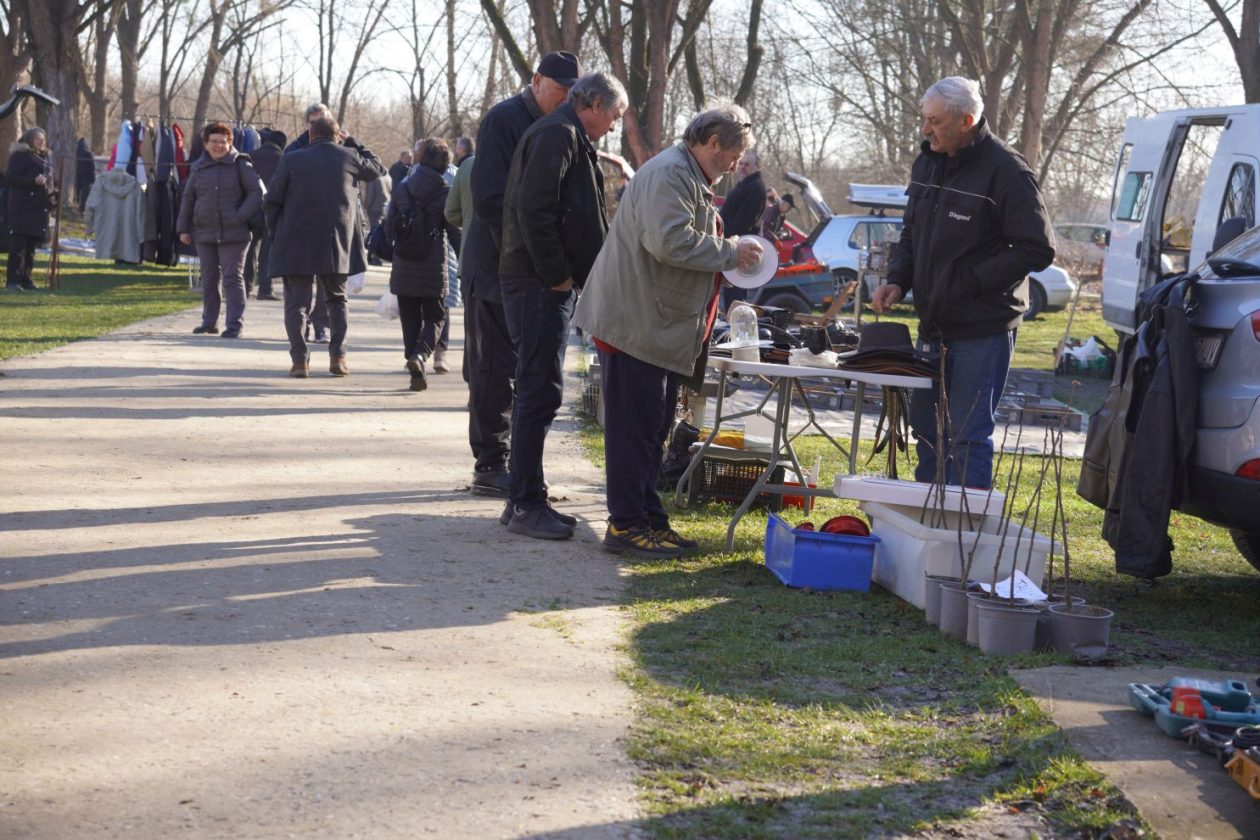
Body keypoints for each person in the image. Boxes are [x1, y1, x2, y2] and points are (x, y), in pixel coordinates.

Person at [572, 104, 764, 558]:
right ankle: (626, 525)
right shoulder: (670, 175)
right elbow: (671, 241)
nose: (736, 165)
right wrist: (731, 251)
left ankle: (649, 518)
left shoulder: (687, 175)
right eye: (734, 153)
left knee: (652, 426)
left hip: (650, 323)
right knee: (634, 429)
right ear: (713, 142)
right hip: (635, 323)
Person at [873, 76, 1055, 489]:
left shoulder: (1007, 171)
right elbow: (911, 234)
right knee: (926, 432)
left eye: (935, 121)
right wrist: (897, 280)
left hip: (982, 330)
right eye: (925, 119)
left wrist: (970, 282)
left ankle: (961, 543)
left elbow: (1037, 248)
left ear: (966, 119)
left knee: (965, 439)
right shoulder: (927, 162)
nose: (925, 130)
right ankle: (927, 531)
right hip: (933, 326)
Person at [497, 72, 628, 540]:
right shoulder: (558, 133)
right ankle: (525, 502)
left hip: (538, 283)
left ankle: (525, 494)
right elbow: (536, 209)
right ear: (592, 103)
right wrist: (556, 275)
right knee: (539, 389)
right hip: (536, 284)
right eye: (613, 115)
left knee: (539, 388)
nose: (613, 126)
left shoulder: (565, 133)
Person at [462, 50, 580, 498]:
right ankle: (490, 462)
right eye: (560, 90)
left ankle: (512, 460)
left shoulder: (559, 124)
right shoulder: (503, 120)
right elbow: (492, 200)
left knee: (522, 368)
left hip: (525, 269)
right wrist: (528, 252)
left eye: (573, 92)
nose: (565, 98)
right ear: (536, 81)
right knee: (491, 369)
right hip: (494, 265)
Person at [265, 115, 385, 377]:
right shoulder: (349, 157)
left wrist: (276, 231)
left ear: (310, 135)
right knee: (337, 299)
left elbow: (272, 200)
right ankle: (338, 357)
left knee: (296, 303)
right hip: (336, 241)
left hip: (296, 240)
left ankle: (299, 360)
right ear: (337, 135)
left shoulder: (291, 159)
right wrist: (352, 141)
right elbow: (377, 168)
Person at [176, 122, 263, 337]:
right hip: (204, 231)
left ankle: (234, 325)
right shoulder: (198, 167)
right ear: (205, 144)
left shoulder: (241, 164)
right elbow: (188, 199)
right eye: (213, 141)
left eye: (222, 141)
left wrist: (239, 216)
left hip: (235, 233)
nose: (218, 145)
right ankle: (209, 322)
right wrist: (183, 227)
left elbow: (256, 194)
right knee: (209, 278)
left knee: (233, 278)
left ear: (230, 142)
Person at [387, 138, 460, 391]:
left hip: (404, 265)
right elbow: (454, 233)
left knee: (409, 320)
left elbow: (388, 228)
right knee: (436, 317)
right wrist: (464, 262)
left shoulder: (401, 188)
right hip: (433, 267)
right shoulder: (445, 193)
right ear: (445, 165)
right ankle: (420, 357)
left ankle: (414, 366)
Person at [5, 127, 56, 292]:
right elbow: (11, 178)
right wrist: (33, 181)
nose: (42, 142)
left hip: (38, 209)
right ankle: (13, 282)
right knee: (19, 247)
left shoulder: (45, 158)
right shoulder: (20, 157)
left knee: (31, 248)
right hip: (22, 208)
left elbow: (49, 181)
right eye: (38, 139)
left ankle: (26, 280)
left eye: (43, 139)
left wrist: (53, 193)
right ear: (29, 140)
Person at [718, 148, 765, 311]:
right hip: (732, 245)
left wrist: (723, 234)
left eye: (748, 164)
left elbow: (744, 221)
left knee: (736, 298)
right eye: (742, 163)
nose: (743, 167)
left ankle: (738, 330)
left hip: (741, 248)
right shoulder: (744, 185)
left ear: (757, 167)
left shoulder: (755, 188)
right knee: (731, 296)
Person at [444, 136, 476, 374]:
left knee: (474, 328)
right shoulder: (522, 164)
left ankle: (474, 384)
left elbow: (451, 214)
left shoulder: (466, 168)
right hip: (513, 266)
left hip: (473, 258)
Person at [249, 129, 285, 300]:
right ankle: (265, 289)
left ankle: (246, 287)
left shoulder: (251, 156)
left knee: (250, 250)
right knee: (267, 252)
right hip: (273, 211)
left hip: (251, 209)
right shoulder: (284, 159)